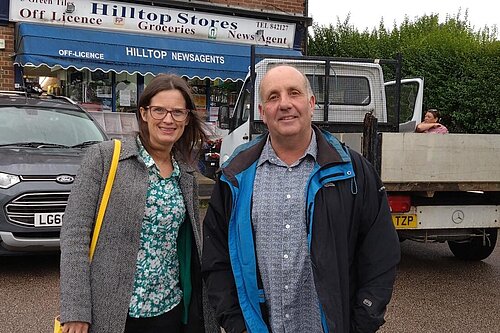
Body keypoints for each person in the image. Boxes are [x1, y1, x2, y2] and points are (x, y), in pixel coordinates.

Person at [201, 65, 401, 333]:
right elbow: (217, 259)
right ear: (262, 112)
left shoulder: (352, 171)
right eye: (273, 97)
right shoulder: (235, 175)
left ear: (311, 104)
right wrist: (236, 323)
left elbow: (380, 253)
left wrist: (363, 320)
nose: (284, 104)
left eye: (293, 93)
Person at [60, 74, 218, 333]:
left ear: (187, 118)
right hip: (112, 314)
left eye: (178, 112)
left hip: (170, 311)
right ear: (143, 113)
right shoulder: (105, 157)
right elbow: (74, 234)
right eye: (159, 110)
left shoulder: (185, 174)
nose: (168, 119)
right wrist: (76, 309)